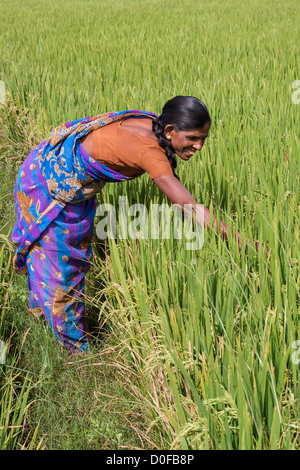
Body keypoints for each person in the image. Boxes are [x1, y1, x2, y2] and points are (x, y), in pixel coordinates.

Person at [11, 96, 260, 354]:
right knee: (61, 264)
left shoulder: (154, 125)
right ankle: (73, 350)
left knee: (71, 251)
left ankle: (46, 317)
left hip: (65, 177)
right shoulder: (149, 151)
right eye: (193, 138)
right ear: (171, 131)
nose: (199, 146)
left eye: (203, 139)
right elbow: (190, 207)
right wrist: (245, 244)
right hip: (51, 185)